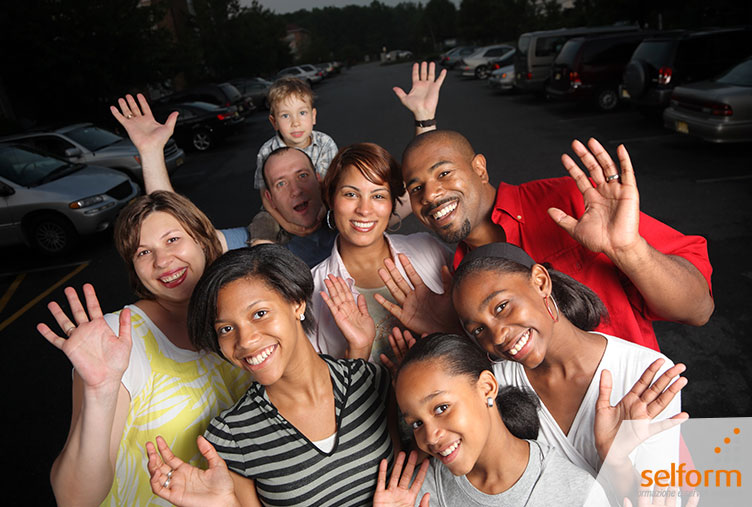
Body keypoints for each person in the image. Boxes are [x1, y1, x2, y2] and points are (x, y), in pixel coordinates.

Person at [380, 122, 713, 350]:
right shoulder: (461, 278)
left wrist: (629, 250)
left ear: (479, 169)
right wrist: (452, 329)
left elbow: (698, 310)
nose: (431, 194)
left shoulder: (569, 201)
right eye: (416, 188)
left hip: (640, 418)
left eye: (444, 173)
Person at [36, 191, 251, 506]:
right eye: (142, 252)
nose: (162, 261)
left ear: (204, 241)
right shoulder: (119, 339)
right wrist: (100, 392)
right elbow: (74, 499)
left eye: (173, 240)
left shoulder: (234, 317)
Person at [144, 245, 396, 506]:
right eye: (227, 328)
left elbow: (407, 482)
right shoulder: (231, 435)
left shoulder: (370, 380)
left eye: (259, 314)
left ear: (296, 303)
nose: (246, 341)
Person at [451, 242, 688, 499]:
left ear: (541, 282)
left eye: (501, 307)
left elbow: (657, 501)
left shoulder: (643, 374)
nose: (497, 336)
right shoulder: (498, 385)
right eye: (478, 330)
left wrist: (615, 459)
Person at [111, 93, 338, 267]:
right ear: (270, 199)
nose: (295, 189)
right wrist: (151, 152)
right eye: (281, 183)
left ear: (319, 179)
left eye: (302, 176)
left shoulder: (350, 223)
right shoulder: (259, 240)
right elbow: (187, 234)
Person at [387, 332, 612, 506]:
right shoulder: (415, 494)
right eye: (417, 423)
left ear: (487, 388)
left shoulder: (577, 493)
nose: (431, 436)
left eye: (441, 408)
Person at [310, 142, 454, 363]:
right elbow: (319, 393)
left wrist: (446, 327)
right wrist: (358, 350)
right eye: (350, 194)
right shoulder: (311, 290)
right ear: (331, 199)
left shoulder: (429, 249)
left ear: (392, 204)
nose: (364, 210)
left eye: (378, 196)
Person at [249, 77, 339, 243]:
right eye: (285, 116)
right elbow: (265, 197)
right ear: (274, 122)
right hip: (280, 210)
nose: (295, 123)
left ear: (313, 116)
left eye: (302, 113)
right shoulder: (266, 151)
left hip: (322, 203)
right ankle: (264, 253)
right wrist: (288, 225)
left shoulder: (325, 143)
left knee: (341, 210)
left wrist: (324, 208)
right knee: (262, 223)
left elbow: (331, 185)